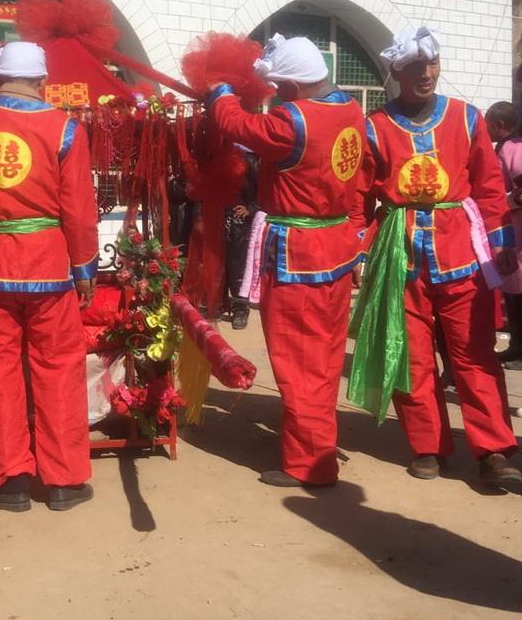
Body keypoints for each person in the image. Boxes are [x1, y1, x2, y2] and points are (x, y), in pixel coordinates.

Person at [351, 29, 521, 489]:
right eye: (414, 67)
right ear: (396, 72)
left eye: (432, 64)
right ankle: (428, 445)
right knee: (411, 354)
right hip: (399, 254)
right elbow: (359, 196)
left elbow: (489, 186)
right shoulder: (374, 126)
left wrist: (503, 240)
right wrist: (356, 251)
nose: (426, 74)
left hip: (460, 251)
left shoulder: (467, 118)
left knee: (475, 353)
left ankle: (494, 448)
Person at [0, 41, 99, 512]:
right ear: (43, 80)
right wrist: (84, 267)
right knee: (58, 367)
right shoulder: (65, 127)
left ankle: (10, 481)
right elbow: (79, 209)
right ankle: (65, 480)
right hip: (46, 266)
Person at [207, 34, 367, 487]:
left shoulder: (293, 120)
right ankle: (318, 443)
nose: (276, 93)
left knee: (298, 360)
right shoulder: (350, 109)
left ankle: (309, 464)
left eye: (279, 86)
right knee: (325, 358)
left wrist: (219, 91)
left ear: (294, 85)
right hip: (336, 248)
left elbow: (237, 125)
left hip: (300, 255)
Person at [486, 100, 522, 368]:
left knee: (518, 292)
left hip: (517, 234)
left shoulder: (513, 149)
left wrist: (508, 201)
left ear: (499, 125)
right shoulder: (506, 148)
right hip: (512, 234)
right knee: (512, 291)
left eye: (487, 124)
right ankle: (516, 345)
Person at [223, 147, 257, 330]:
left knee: (238, 266)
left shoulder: (249, 160)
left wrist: (250, 209)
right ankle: (220, 302)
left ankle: (241, 308)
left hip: (239, 222)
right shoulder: (216, 157)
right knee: (218, 263)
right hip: (218, 217)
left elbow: (265, 188)